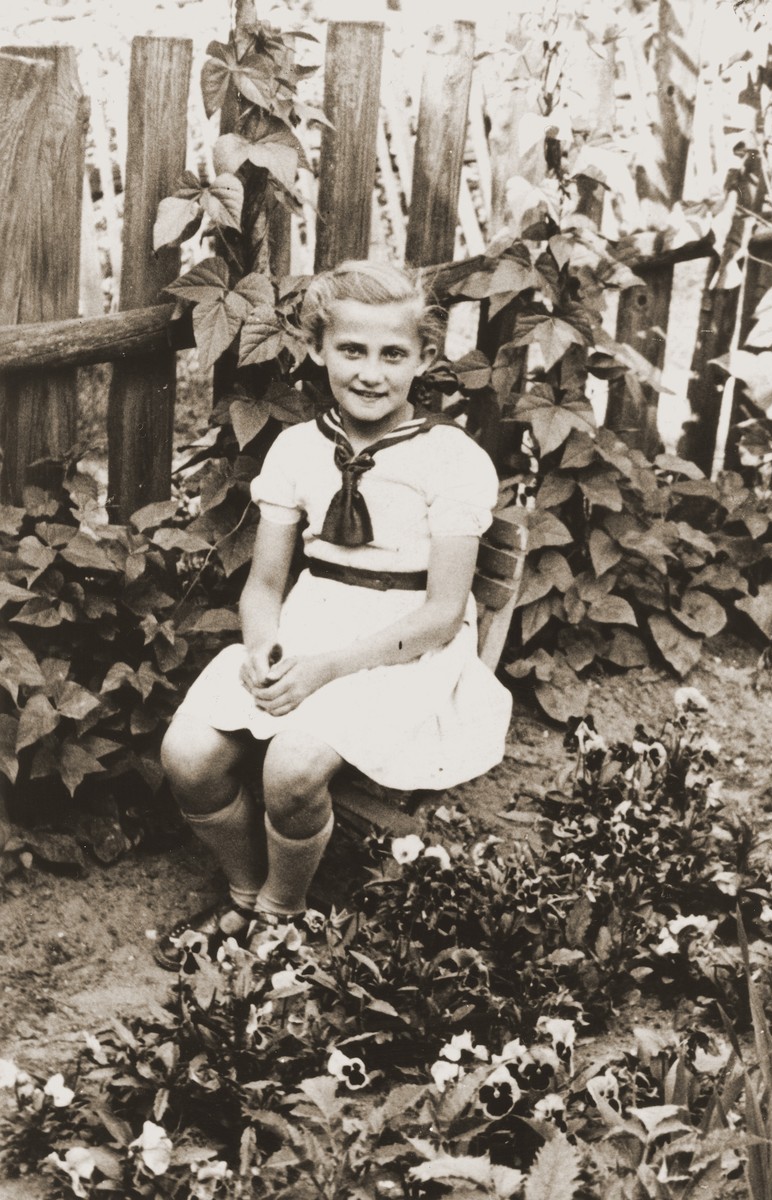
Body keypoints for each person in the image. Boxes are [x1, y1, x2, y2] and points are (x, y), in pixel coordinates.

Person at [155, 260, 512, 967]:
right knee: (187, 756)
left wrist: (322, 671)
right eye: (351, 350)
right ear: (318, 349)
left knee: (291, 767)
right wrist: (264, 648)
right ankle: (246, 894)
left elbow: (442, 615)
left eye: (392, 354)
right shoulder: (296, 448)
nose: (370, 373)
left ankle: (286, 914)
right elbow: (263, 585)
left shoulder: (452, 460)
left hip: (405, 646)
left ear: (423, 359)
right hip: (311, 623)